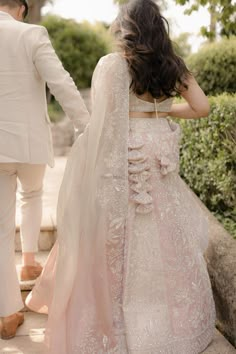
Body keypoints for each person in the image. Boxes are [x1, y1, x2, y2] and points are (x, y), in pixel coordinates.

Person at [26, 0, 216, 353]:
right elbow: (202, 107)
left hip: (128, 151)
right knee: (165, 231)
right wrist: (162, 111)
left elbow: (106, 122)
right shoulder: (174, 64)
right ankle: (175, 322)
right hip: (160, 148)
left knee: (122, 234)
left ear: (126, 26)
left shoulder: (115, 65)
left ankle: (118, 321)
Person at [0, 0, 90, 340]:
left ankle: (8, 312)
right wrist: (88, 126)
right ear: (22, 8)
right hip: (30, 143)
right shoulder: (33, 34)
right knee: (33, 193)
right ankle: (27, 261)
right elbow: (61, 82)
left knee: (0, 226)